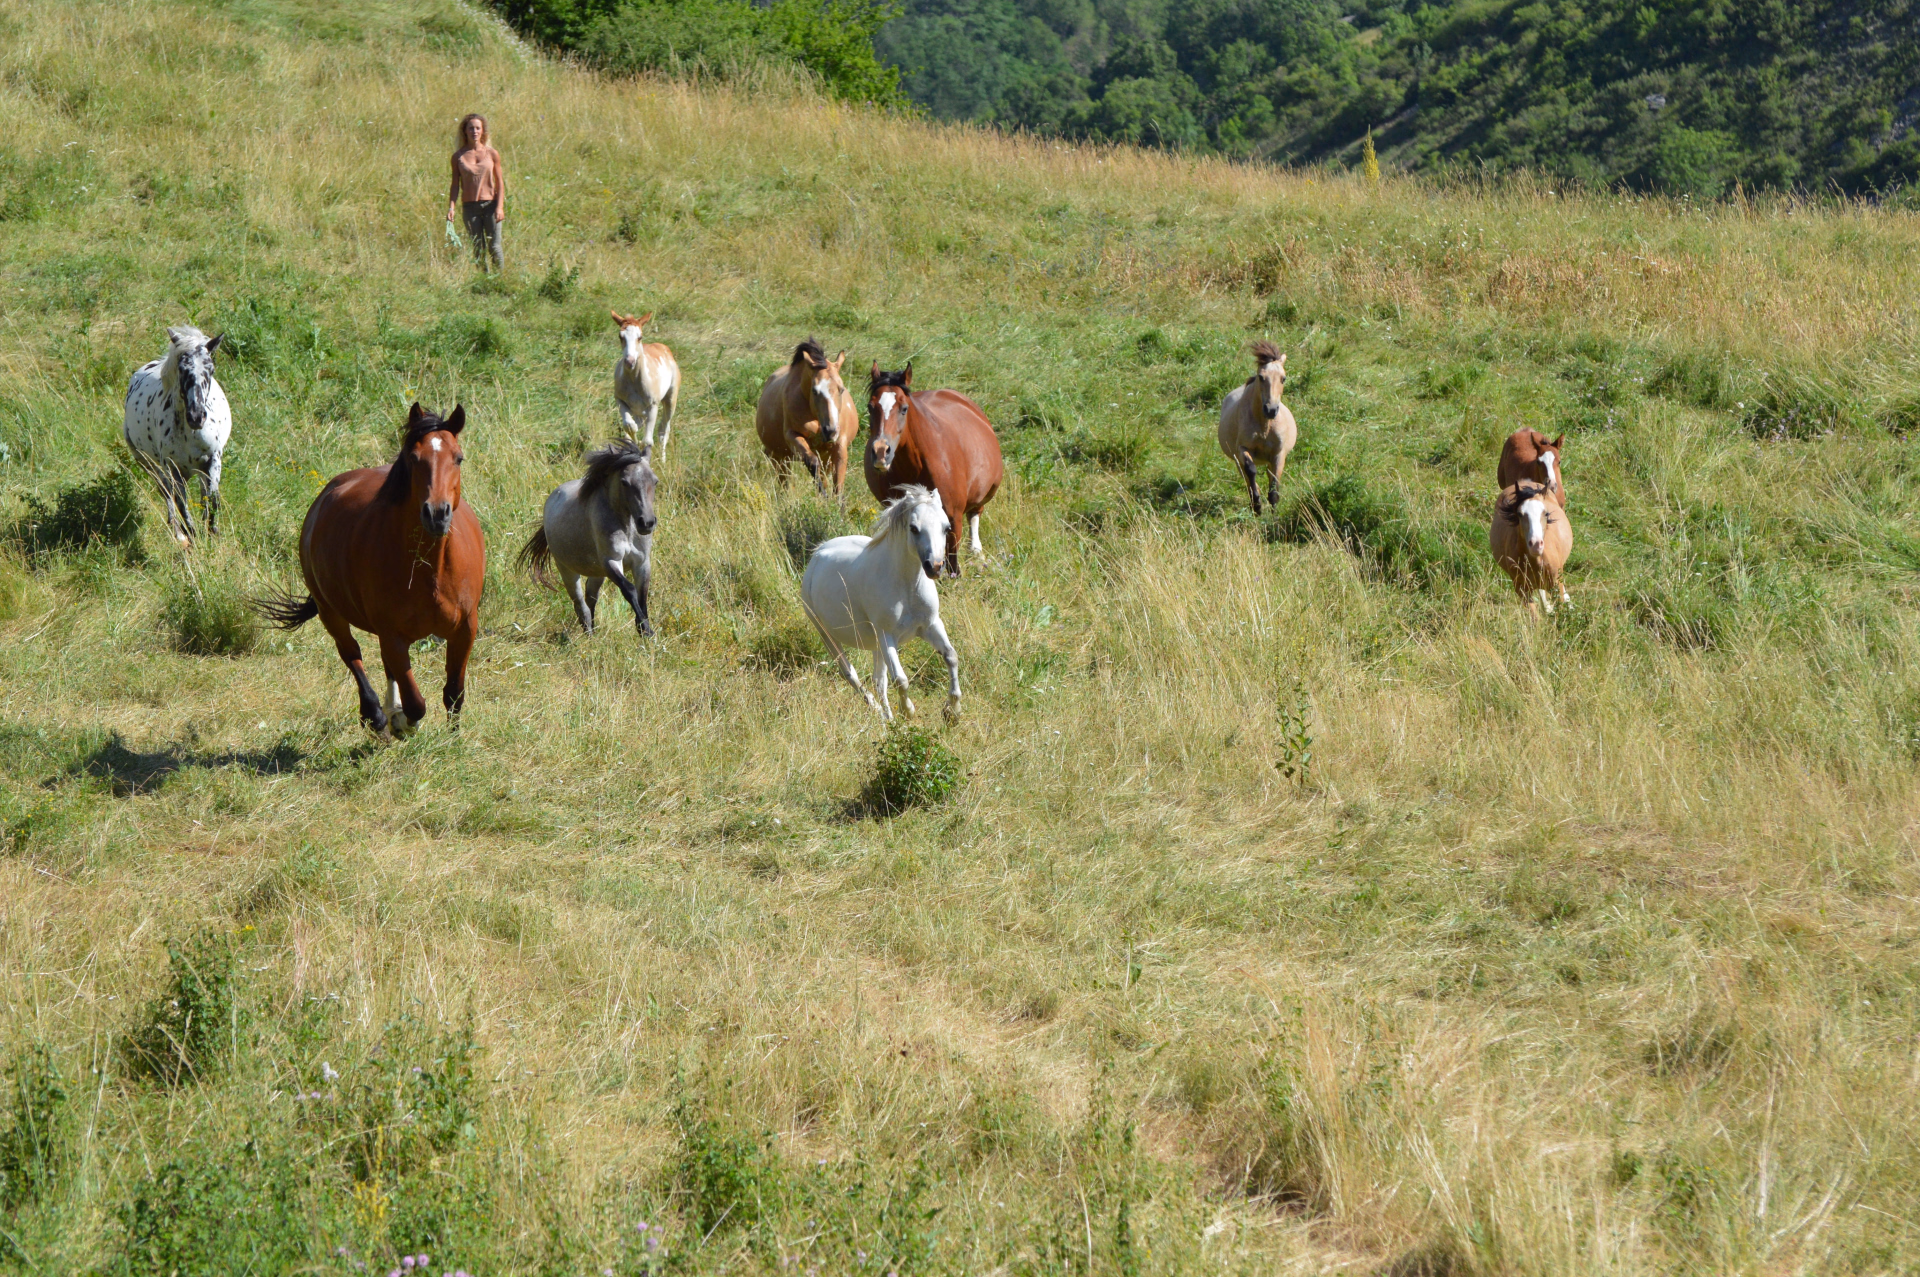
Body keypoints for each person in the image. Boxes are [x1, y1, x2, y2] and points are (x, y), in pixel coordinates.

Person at [447, 114, 506, 272]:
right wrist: (451, 207)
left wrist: (499, 207)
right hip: (470, 208)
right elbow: (455, 185)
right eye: (471, 128)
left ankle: (499, 278)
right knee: (478, 247)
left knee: (494, 246)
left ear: (483, 131)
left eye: (478, 128)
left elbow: (500, 182)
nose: (474, 131)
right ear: (465, 131)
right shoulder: (458, 157)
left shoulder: (492, 153)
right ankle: (483, 279)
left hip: (491, 205)